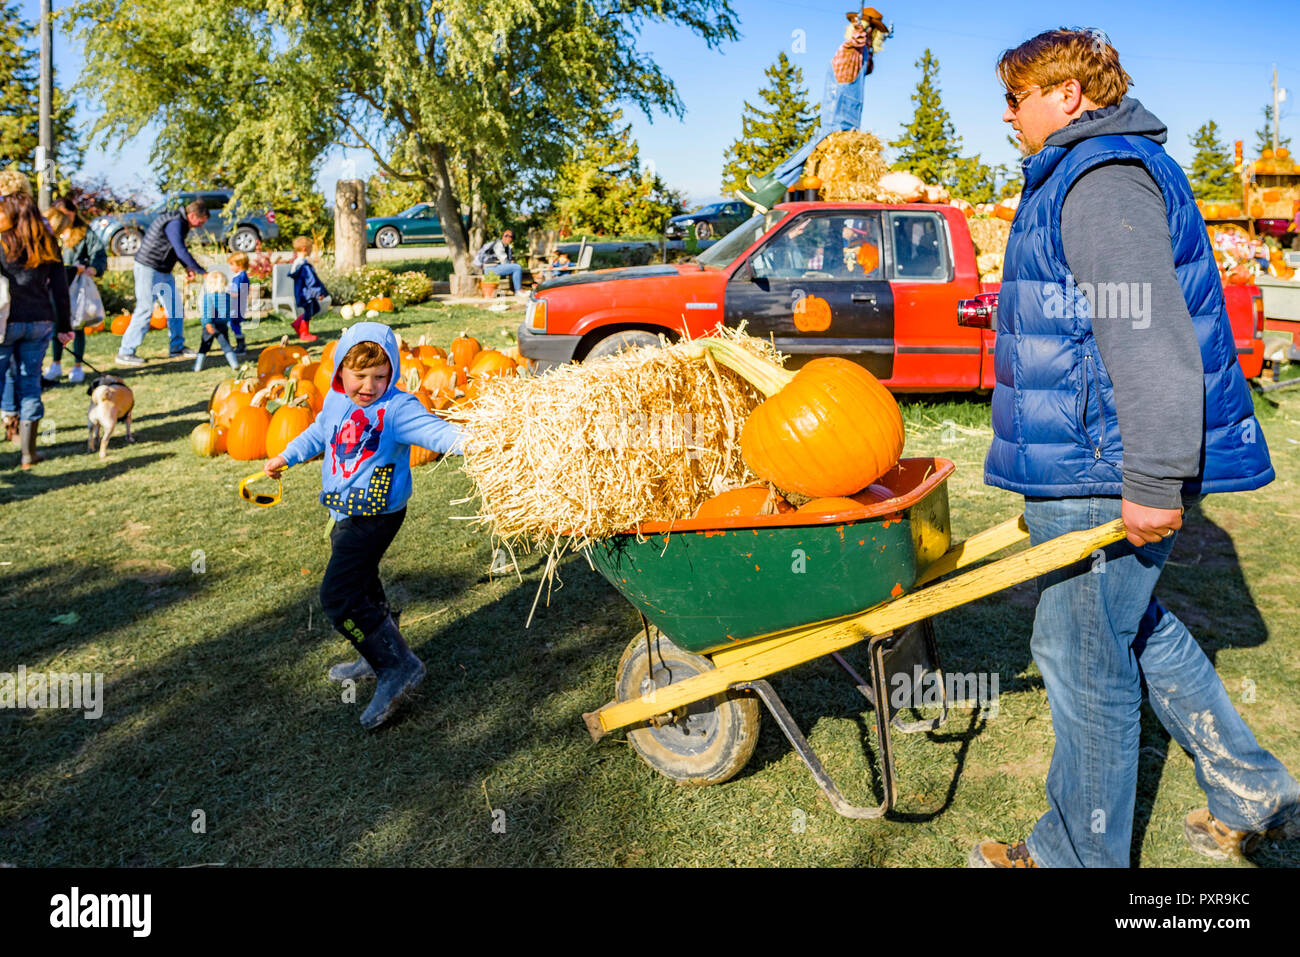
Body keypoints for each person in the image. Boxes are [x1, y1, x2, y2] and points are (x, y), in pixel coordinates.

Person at [970, 28, 1299, 868]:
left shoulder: (1101, 180)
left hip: (1098, 466)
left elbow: (1149, 336)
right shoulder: (1090, 172)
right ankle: (1254, 792)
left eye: (1017, 97)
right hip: (1094, 458)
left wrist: (1152, 477)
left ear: (1068, 96)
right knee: (1132, 629)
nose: (1006, 115)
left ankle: (1075, 856)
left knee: (1080, 658)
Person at [264, 321, 463, 730]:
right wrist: (287, 455)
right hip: (343, 513)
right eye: (359, 375)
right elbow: (320, 433)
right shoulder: (336, 402)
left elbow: (440, 434)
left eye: (380, 375)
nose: (369, 385)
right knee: (363, 583)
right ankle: (374, 653)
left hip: (375, 517)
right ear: (339, 370)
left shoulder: (398, 409)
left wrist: (484, 440)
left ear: (392, 372)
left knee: (338, 597)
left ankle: (397, 665)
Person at [737, 7, 889, 212]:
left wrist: (865, 40)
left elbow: (863, 56)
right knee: (813, 145)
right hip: (844, 111)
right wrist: (862, 33)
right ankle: (771, 185)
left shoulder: (860, 53)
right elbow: (857, 41)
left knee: (814, 145)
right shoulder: (854, 50)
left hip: (844, 112)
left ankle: (771, 186)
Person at [0, 182, 73, 469]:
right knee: (30, 383)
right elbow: (60, 288)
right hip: (40, 321)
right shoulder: (47, 241)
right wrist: (65, 325)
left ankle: (12, 432)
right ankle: (29, 454)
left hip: (5, 321)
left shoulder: (3, 241)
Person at [116, 198, 209, 366]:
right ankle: (126, 352)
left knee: (175, 308)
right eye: (201, 221)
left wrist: (187, 267)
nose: (202, 225)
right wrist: (201, 271)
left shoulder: (180, 222)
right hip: (148, 268)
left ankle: (177, 348)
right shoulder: (175, 222)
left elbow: (175, 248)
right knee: (145, 309)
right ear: (193, 215)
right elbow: (180, 249)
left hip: (163, 270)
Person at [42, 198, 107, 384]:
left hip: (76, 284)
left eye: (67, 215)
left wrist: (94, 268)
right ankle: (55, 363)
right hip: (57, 283)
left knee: (77, 324)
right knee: (57, 324)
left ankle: (77, 365)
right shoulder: (50, 235)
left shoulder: (83, 232)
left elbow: (98, 253)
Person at [194, 271, 240, 372]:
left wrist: (207, 323)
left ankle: (197, 366)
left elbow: (208, 312)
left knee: (204, 346)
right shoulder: (227, 297)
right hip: (222, 325)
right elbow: (229, 311)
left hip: (210, 326)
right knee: (226, 345)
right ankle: (234, 363)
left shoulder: (208, 297)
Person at [287, 236, 327, 343]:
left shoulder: (297, 262)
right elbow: (310, 281)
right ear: (304, 249)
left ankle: (297, 323)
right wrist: (318, 293)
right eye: (310, 249)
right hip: (306, 294)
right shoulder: (304, 265)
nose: (311, 251)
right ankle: (304, 333)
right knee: (309, 311)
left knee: (315, 309)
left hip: (303, 293)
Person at [473, 229, 525, 296]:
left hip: (494, 268)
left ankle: (516, 290)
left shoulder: (506, 247)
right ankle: (518, 290)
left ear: (512, 239)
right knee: (517, 267)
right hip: (490, 269)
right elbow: (504, 261)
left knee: (515, 267)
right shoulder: (498, 245)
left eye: (510, 236)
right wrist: (511, 265)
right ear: (502, 236)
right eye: (505, 235)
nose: (507, 237)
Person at [226, 251, 250, 358]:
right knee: (234, 324)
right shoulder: (243, 276)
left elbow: (236, 293)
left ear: (239, 265)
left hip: (236, 305)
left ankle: (241, 345)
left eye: (232, 264)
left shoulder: (239, 278)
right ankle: (240, 343)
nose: (230, 267)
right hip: (240, 305)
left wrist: (225, 292)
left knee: (233, 324)